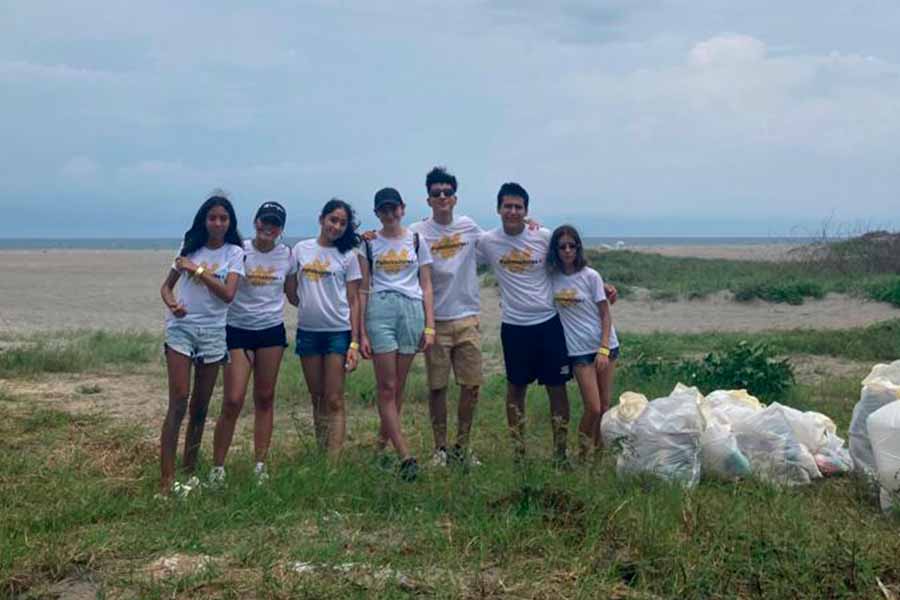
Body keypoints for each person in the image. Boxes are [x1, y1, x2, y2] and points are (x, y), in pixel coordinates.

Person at [477, 182, 572, 467]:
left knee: (557, 388)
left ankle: (560, 454)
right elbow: (453, 250)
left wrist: (601, 286)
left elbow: (571, 261)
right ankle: (519, 454)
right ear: (498, 209)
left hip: (547, 323)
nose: (513, 211)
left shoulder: (543, 237)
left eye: (519, 207)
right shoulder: (488, 241)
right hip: (514, 327)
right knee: (516, 389)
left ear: (527, 211)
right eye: (508, 206)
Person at [158, 193, 245, 496]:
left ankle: (189, 474)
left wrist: (196, 270)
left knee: (200, 407)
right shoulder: (187, 247)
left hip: (213, 333)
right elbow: (166, 287)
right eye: (212, 218)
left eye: (223, 218)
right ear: (204, 220)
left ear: (230, 222)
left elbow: (228, 293)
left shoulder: (235, 253)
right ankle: (167, 482)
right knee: (179, 400)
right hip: (181, 329)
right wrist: (173, 305)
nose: (218, 223)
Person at [209, 201, 294, 486]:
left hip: (271, 331)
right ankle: (217, 467)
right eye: (263, 221)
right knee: (232, 400)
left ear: (281, 229)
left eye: (274, 224)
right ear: (255, 222)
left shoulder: (288, 255)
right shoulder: (238, 250)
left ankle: (260, 465)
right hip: (237, 330)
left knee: (265, 398)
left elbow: (294, 295)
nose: (267, 228)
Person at [408, 167, 485, 468]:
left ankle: (461, 447)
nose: (442, 197)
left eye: (447, 193)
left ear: (455, 198)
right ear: (428, 199)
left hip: (467, 317)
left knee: (471, 385)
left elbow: (502, 242)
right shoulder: (417, 232)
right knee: (437, 387)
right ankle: (440, 449)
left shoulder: (469, 227)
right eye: (436, 193)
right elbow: (392, 244)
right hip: (435, 320)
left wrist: (530, 225)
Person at [359, 187, 435, 481]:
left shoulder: (416, 240)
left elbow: (426, 284)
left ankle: (380, 447)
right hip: (381, 310)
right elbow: (364, 287)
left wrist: (430, 325)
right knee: (387, 387)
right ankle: (406, 456)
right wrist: (362, 332)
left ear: (403, 209)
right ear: (377, 213)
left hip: (412, 311)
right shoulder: (366, 244)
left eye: (394, 208)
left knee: (399, 386)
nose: (390, 214)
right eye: (384, 210)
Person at [285, 199, 363, 458]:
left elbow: (354, 300)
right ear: (322, 219)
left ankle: (334, 462)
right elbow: (291, 289)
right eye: (333, 220)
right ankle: (321, 452)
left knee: (334, 399)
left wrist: (354, 342)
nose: (337, 226)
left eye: (342, 223)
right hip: (308, 332)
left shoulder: (348, 256)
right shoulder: (301, 249)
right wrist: (306, 302)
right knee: (316, 397)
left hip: (337, 332)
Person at [548, 224, 619, 459]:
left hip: (603, 345)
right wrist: (529, 222)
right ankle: (581, 453)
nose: (567, 250)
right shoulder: (551, 277)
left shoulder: (591, 276)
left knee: (605, 407)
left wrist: (604, 348)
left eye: (572, 245)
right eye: (562, 246)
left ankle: (598, 457)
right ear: (556, 250)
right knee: (593, 407)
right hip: (578, 351)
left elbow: (605, 314)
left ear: (578, 248)